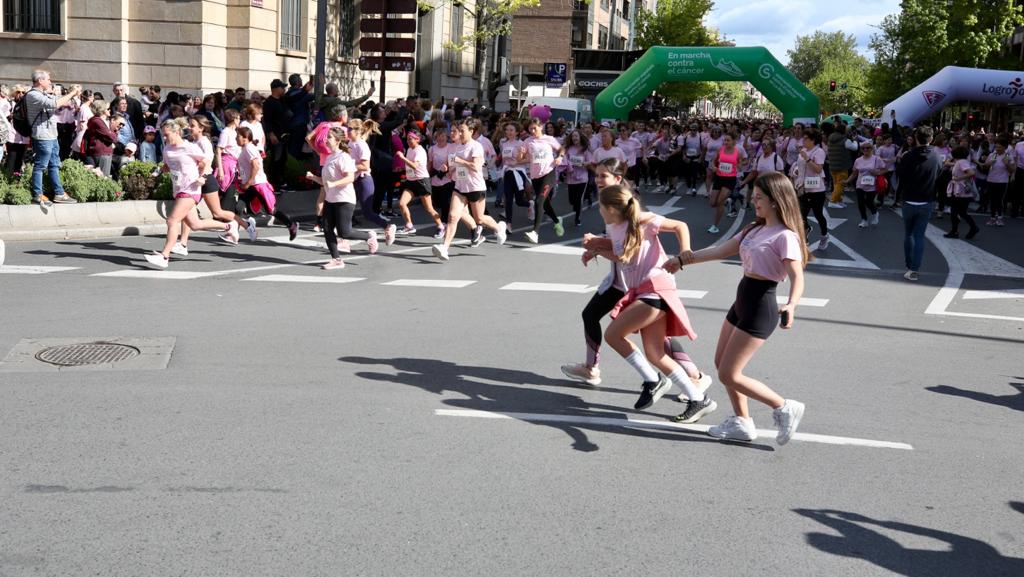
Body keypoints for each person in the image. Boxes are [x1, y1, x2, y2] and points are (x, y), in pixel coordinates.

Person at [674, 171, 808, 444]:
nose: (754, 201)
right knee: (721, 363)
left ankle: (783, 406)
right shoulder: (754, 228)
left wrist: (792, 304)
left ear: (776, 200)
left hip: (762, 305)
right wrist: (682, 260)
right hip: (743, 298)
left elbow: (797, 276)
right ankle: (742, 422)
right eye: (754, 196)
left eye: (760, 197)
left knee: (729, 373)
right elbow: (721, 251)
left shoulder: (785, 236)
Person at [562, 158, 713, 399]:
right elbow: (622, 248)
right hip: (625, 281)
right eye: (597, 176)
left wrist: (684, 252)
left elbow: (672, 229)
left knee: (644, 338)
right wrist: (597, 247)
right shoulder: (611, 213)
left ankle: (687, 379)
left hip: (642, 284)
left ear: (618, 181)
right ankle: (684, 386)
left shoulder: (632, 212)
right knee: (648, 342)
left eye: (603, 176)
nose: (598, 180)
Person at [583, 185, 716, 421]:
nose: (599, 211)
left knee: (613, 335)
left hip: (655, 287)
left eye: (600, 207)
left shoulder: (643, 219)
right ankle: (698, 399)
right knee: (655, 353)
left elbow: (679, 225)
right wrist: (596, 248)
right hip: (645, 290)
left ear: (612, 209)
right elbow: (623, 256)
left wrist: (685, 250)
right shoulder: (614, 227)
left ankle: (652, 380)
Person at [144, 119, 239, 270]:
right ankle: (229, 226)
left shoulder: (189, 147)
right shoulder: (167, 148)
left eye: (167, 134)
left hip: (191, 189)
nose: (164, 138)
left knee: (172, 220)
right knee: (195, 224)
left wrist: (203, 177)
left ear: (176, 133)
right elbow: (168, 165)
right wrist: (159, 170)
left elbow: (206, 162)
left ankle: (164, 256)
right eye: (163, 135)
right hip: (178, 188)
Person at [432, 119, 508, 261]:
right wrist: (450, 170)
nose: (460, 133)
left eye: (463, 131)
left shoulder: (476, 146)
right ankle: (444, 248)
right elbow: (455, 166)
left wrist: (461, 162)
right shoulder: (457, 147)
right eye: (458, 130)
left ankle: (498, 228)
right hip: (460, 187)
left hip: (475, 187)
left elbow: (476, 167)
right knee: (453, 216)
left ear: (471, 131)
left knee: (479, 218)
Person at [177, 115, 253, 254]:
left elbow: (207, 161)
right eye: (189, 125)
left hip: (206, 181)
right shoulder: (192, 142)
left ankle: (243, 224)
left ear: (201, 128)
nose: (189, 127)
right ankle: (182, 244)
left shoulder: (204, 142)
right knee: (187, 211)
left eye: (192, 125)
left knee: (217, 213)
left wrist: (202, 176)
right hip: (196, 181)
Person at [305, 126, 378, 270]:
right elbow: (326, 181)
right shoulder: (329, 157)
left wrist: (334, 183)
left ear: (338, 140)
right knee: (327, 228)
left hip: (344, 199)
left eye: (329, 137)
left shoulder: (343, 157)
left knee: (344, 232)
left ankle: (369, 236)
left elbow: (350, 178)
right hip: (331, 199)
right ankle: (336, 260)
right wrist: (314, 177)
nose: (326, 140)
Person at [25, 70, 80, 206]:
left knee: (54, 165)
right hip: (43, 135)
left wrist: (61, 96)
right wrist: (72, 92)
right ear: (40, 81)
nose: (50, 82)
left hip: (52, 134)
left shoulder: (43, 94)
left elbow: (59, 103)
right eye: (48, 79)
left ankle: (59, 194)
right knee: (40, 165)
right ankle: (37, 195)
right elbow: (53, 104)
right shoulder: (33, 95)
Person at [235, 126, 298, 241]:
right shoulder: (245, 148)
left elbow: (256, 166)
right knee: (239, 208)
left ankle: (291, 224)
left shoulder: (249, 148)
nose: (236, 138)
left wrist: (248, 182)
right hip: (250, 185)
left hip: (257, 184)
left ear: (245, 138)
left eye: (238, 136)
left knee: (271, 210)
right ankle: (235, 233)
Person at [895, 126, 941, 281]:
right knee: (920, 236)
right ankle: (914, 268)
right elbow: (939, 175)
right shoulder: (936, 156)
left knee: (908, 234)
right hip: (927, 200)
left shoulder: (908, 156)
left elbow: (900, 174)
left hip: (909, 199)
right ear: (931, 139)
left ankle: (909, 265)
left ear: (915, 138)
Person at [348, 118, 397, 245]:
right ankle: (343, 237)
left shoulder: (362, 145)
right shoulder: (350, 143)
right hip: (353, 180)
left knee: (368, 213)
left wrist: (347, 165)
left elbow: (365, 166)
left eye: (350, 129)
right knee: (347, 208)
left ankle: (388, 226)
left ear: (357, 131)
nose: (347, 131)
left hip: (364, 180)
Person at [519, 117, 565, 244]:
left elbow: (561, 149)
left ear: (541, 127)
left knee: (539, 201)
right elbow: (520, 159)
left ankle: (535, 233)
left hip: (548, 174)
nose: (532, 131)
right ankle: (557, 221)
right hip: (535, 177)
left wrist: (560, 157)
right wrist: (521, 154)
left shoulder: (549, 139)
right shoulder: (527, 141)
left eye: (535, 128)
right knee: (545, 204)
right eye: (530, 129)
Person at [395, 129, 444, 235]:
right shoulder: (409, 149)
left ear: (417, 140)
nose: (408, 141)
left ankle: (441, 226)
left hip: (421, 181)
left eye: (410, 139)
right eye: (407, 139)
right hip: (411, 181)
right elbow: (409, 165)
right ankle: (409, 225)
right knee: (402, 203)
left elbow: (415, 166)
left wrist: (402, 158)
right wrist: (402, 168)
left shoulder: (420, 151)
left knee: (429, 208)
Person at [791, 130, 829, 250]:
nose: (803, 140)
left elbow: (818, 169)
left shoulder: (819, 152)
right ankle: (805, 234)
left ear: (813, 140)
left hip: (816, 190)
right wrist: (796, 170)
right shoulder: (803, 151)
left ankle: (824, 236)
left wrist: (807, 159)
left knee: (818, 215)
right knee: (801, 216)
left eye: (806, 138)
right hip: (802, 187)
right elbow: (798, 166)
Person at [708, 132, 746, 234]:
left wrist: (740, 165)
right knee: (712, 203)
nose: (725, 142)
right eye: (724, 140)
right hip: (719, 178)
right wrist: (714, 167)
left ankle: (715, 226)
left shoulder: (738, 152)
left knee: (719, 202)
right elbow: (713, 162)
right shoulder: (720, 150)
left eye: (728, 140)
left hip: (730, 179)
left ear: (733, 141)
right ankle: (728, 201)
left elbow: (742, 163)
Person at [846, 141, 885, 228]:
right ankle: (864, 220)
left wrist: (877, 173)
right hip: (860, 184)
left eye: (868, 148)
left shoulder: (876, 159)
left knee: (869, 202)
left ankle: (875, 213)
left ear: (872, 149)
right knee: (860, 202)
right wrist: (847, 181)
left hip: (872, 185)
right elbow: (854, 173)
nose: (865, 149)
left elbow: (885, 169)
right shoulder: (858, 160)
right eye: (863, 148)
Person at [944, 146, 979, 240]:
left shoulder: (961, 162)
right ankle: (972, 227)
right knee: (961, 212)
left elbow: (971, 173)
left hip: (961, 191)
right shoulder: (960, 161)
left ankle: (955, 231)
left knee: (955, 211)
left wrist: (958, 179)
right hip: (960, 190)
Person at [562, 129, 592, 227]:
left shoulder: (585, 149)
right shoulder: (568, 149)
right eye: (573, 136)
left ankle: (577, 219)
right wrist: (567, 165)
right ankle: (577, 206)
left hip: (582, 178)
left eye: (576, 136)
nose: (574, 138)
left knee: (579, 199)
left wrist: (583, 163)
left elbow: (590, 162)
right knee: (572, 200)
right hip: (571, 178)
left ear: (580, 138)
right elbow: (564, 159)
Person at [983, 137, 1014, 227]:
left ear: (1005, 147)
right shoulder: (993, 155)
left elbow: (1012, 170)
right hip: (991, 180)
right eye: (996, 147)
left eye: (1000, 147)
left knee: (999, 200)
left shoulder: (1008, 156)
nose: (998, 149)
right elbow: (985, 166)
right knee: (992, 200)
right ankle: (992, 218)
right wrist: (988, 163)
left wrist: (1007, 164)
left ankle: (999, 218)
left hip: (1002, 181)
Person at [83, 99, 118, 177]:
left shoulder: (99, 120)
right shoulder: (97, 121)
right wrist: (115, 132)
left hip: (103, 152)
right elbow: (112, 138)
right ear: (102, 110)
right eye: (107, 109)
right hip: (102, 153)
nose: (109, 110)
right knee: (103, 178)